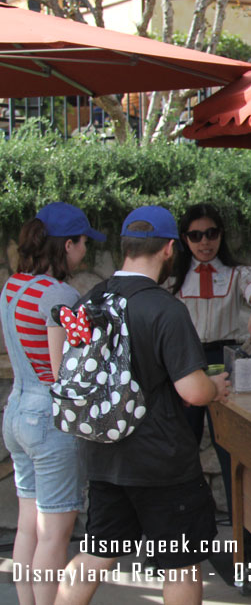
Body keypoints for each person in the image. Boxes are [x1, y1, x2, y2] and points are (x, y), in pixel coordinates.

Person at [55, 206, 230, 605]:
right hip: (163, 464)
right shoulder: (165, 309)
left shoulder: (89, 301)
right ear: (170, 248)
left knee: (94, 554)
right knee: (181, 566)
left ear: (125, 247)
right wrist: (215, 386)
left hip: (103, 456)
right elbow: (192, 391)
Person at [1, 202, 105, 605]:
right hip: (49, 420)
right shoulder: (61, 295)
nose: (85, 251)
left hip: (16, 412)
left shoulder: (12, 286)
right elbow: (69, 365)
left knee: (29, 527)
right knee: (54, 533)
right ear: (66, 246)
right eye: (82, 243)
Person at [169, 203, 251, 567]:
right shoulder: (173, 278)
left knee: (233, 455)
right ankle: (182, 542)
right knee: (180, 454)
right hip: (186, 364)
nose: (204, 242)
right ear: (184, 240)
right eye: (195, 235)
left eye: (211, 233)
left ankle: (247, 548)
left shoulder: (239, 273)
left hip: (229, 362)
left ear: (221, 235)